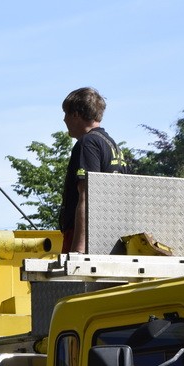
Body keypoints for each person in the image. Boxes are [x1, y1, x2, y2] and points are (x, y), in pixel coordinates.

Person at [58, 87, 128, 254]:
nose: (64, 120)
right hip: (108, 238)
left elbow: (86, 196)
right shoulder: (113, 146)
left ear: (76, 115)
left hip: (83, 237)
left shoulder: (87, 144)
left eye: (66, 114)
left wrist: (78, 251)